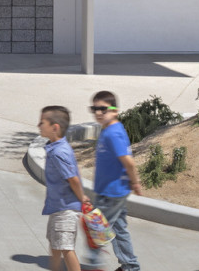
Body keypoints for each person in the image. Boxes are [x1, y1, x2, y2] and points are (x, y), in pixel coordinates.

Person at [83, 92, 141, 271]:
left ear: (115, 111)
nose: (98, 112)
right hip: (113, 191)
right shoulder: (109, 129)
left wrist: (135, 182)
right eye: (94, 109)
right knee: (119, 230)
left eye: (103, 109)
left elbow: (128, 161)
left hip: (111, 193)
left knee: (96, 232)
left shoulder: (113, 133)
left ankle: (95, 266)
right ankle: (130, 266)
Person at [40, 105, 87, 271]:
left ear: (55, 127)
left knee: (66, 249)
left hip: (65, 209)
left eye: (42, 122)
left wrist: (82, 198)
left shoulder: (59, 152)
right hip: (58, 207)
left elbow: (73, 179)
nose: (39, 125)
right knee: (55, 246)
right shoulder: (57, 147)